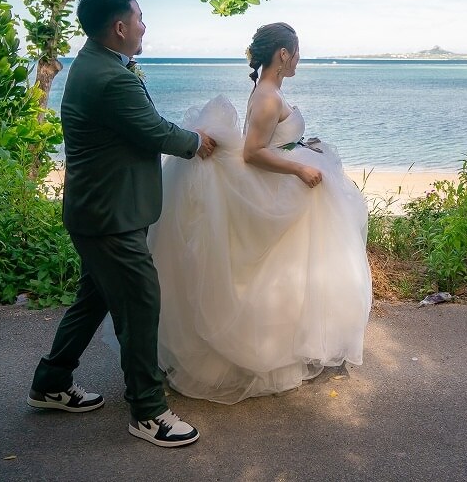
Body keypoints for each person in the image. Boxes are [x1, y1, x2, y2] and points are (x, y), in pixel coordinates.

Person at [28, 0, 216, 448]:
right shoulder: (111, 77)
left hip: (96, 211)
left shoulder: (97, 63)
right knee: (139, 302)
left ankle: (50, 383)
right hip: (109, 217)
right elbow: (152, 130)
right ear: (119, 27)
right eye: (138, 18)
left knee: (94, 299)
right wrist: (196, 143)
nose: (143, 25)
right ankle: (148, 412)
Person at [150, 22, 372, 404]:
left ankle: (282, 341)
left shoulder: (268, 91)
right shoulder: (268, 96)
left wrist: (302, 146)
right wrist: (300, 167)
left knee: (286, 274)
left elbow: (274, 142)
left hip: (286, 189)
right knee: (277, 273)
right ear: (283, 54)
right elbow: (253, 152)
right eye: (297, 51)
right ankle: (264, 352)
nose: (299, 58)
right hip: (282, 193)